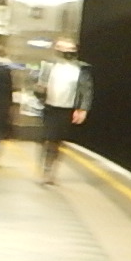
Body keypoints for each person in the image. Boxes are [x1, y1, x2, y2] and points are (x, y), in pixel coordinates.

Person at [38, 51, 93, 185]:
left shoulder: (81, 70)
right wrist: (40, 91)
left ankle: (50, 171)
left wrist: (82, 109)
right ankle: (46, 168)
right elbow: (38, 86)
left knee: (57, 140)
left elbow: (86, 90)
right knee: (48, 138)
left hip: (66, 109)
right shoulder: (50, 66)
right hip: (50, 108)